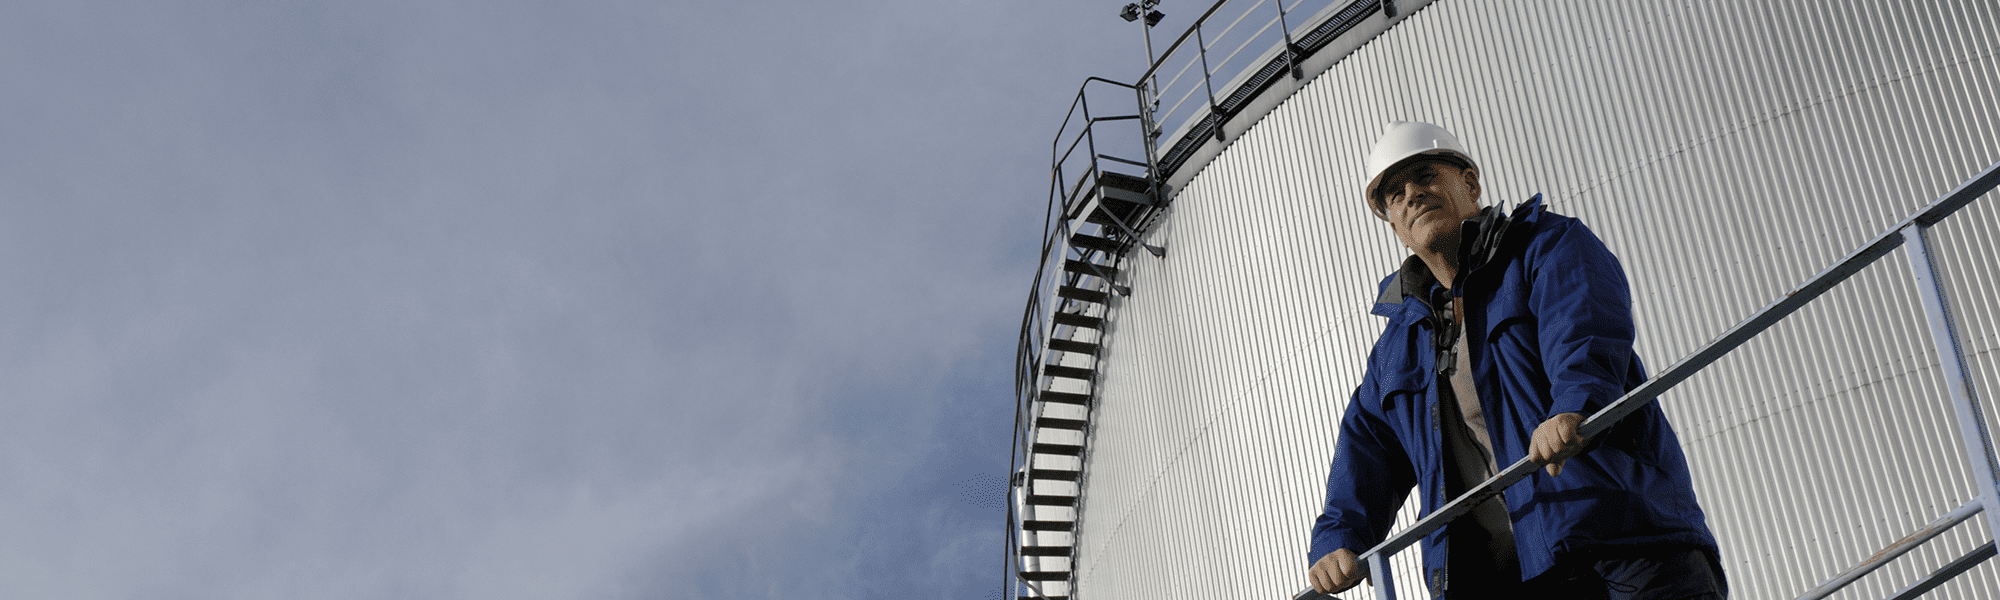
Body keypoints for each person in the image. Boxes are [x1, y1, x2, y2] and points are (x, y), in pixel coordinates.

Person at [1305, 121, 1725, 598]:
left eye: (1425, 175)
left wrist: (1574, 406)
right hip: (1510, 580)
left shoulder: (1545, 246)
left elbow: (1584, 329)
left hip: (1621, 541)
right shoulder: (1396, 348)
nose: (1413, 195)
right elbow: (1368, 445)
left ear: (1470, 182)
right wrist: (1340, 538)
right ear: (1395, 227)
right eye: (1395, 194)